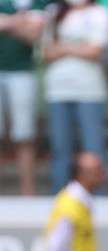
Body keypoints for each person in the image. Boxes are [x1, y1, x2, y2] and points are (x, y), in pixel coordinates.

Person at [42, 0, 108, 193]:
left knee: (93, 149)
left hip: (89, 91)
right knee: (60, 149)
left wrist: (63, 48)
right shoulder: (54, 11)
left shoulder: (99, 12)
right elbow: (47, 51)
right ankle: (60, 198)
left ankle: (99, 197)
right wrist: (79, 47)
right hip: (58, 90)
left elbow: (96, 50)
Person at [0, 1, 47, 195]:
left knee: (24, 136)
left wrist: (7, 24)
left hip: (23, 73)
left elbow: (34, 36)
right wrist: (20, 22)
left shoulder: (39, 3)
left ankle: (28, 193)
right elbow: (27, 30)